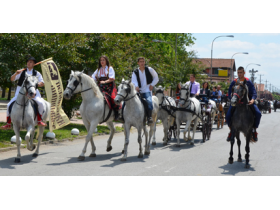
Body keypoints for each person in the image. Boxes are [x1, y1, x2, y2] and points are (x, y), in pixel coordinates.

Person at [1, 57, 46, 130]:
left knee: (40, 103)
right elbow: (12, 79)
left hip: (33, 92)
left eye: (31, 62)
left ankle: (39, 120)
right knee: (9, 105)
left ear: (34, 64)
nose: (28, 63)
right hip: (20, 93)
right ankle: (8, 123)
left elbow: (42, 83)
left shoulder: (37, 73)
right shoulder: (21, 71)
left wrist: (36, 84)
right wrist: (16, 73)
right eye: (28, 61)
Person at [225, 66, 262, 142]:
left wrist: (252, 100)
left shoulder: (248, 81)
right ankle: (231, 131)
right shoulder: (234, 81)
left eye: (241, 72)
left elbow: (254, 92)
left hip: (248, 102)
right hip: (236, 102)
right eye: (238, 72)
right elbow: (229, 92)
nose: (239, 74)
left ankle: (254, 130)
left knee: (258, 114)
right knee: (228, 116)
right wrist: (231, 98)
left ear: (244, 73)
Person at [131, 57, 159, 125]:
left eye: (143, 61)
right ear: (138, 63)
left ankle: (149, 117)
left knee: (149, 102)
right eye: (140, 61)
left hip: (147, 90)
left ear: (144, 62)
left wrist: (152, 85)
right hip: (138, 91)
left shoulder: (149, 69)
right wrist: (136, 86)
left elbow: (156, 77)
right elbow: (133, 81)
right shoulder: (135, 72)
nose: (142, 63)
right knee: (130, 101)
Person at [91, 55, 120, 120]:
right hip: (100, 86)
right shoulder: (98, 70)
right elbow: (93, 78)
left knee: (113, 98)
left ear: (106, 61)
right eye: (101, 60)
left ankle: (116, 113)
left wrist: (104, 82)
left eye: (103, 60)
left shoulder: (110, 68)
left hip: (109, 86)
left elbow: (112, 78)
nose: (102, 61)